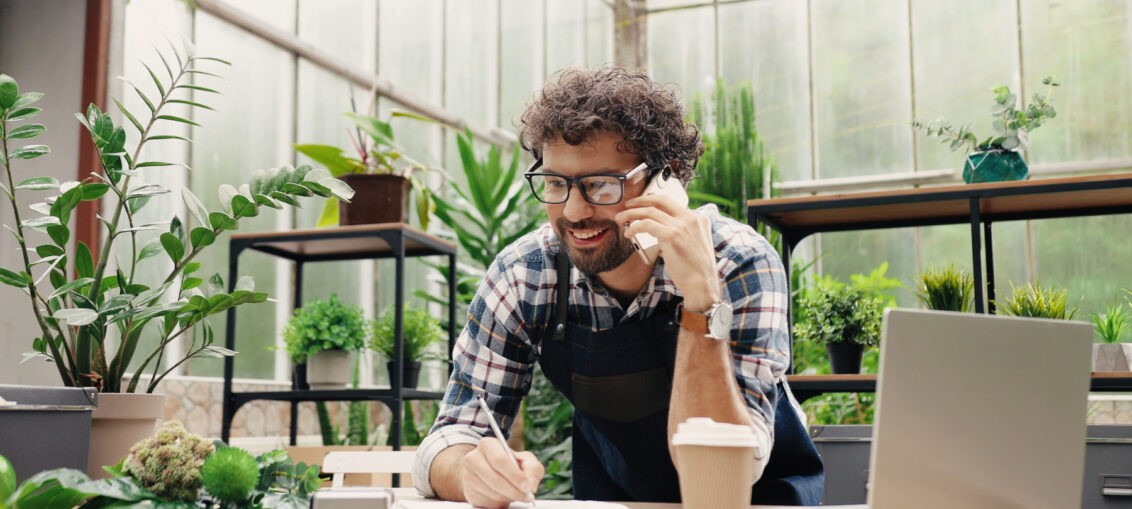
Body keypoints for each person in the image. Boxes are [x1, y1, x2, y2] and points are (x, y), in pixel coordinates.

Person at [410, 66, 824, 507]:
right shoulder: (526, 275)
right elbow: (449, 438)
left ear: (667, 178)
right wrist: (469, 472)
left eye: (601, 185)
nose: (573, 212)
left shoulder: (738, 261)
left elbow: (726, 469)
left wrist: (702, 300)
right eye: (555, 184)